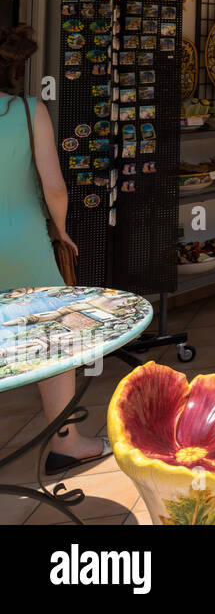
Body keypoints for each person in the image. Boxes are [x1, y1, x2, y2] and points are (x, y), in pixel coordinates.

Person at [0, 25, 110, 474]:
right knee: (53, 337)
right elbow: (54, 186)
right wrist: (62, 231)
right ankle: (67, 442)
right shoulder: (29, 111)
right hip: (22, 239)